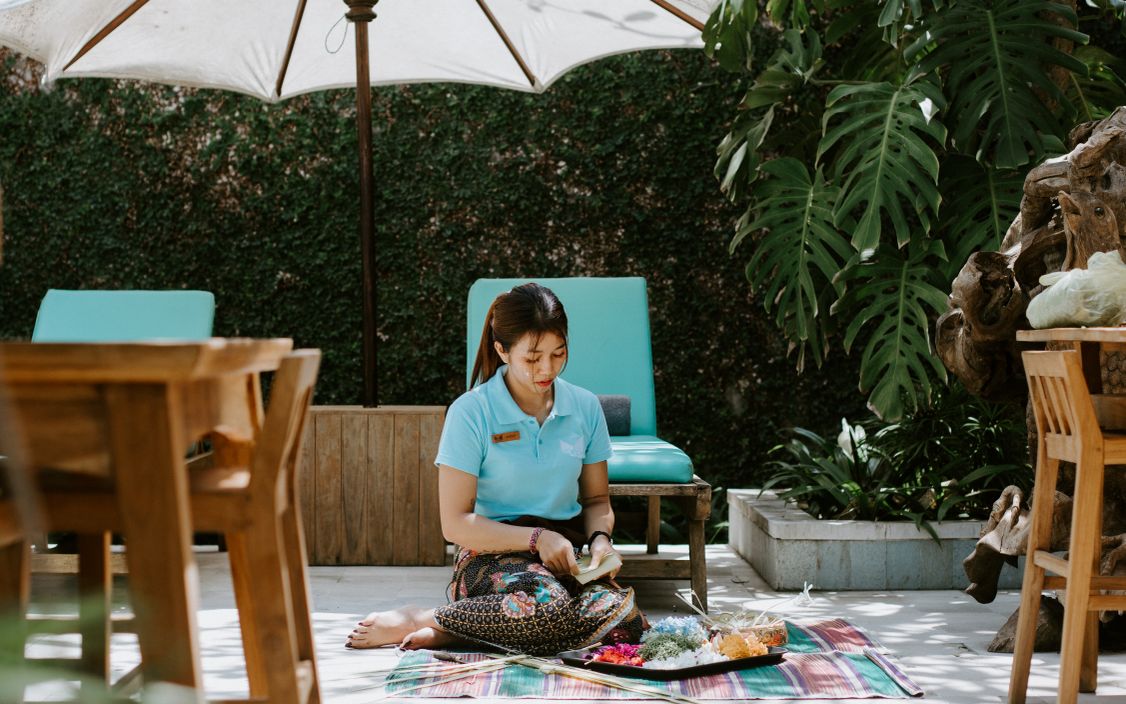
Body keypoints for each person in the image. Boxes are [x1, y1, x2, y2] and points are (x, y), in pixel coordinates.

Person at [346, 282, 644, 655]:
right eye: (532, 358)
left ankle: (461, 631)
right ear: (502, 350)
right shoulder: (470, 412)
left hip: (566, 555)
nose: (547, 368)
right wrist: (537, 539)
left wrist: (600, 539)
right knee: (546, 607)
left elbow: (597, 499)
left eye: (558, 353)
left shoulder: (585, 407)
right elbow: (455, 524)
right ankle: (421, 617)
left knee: (627, 619)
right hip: (490, 555)